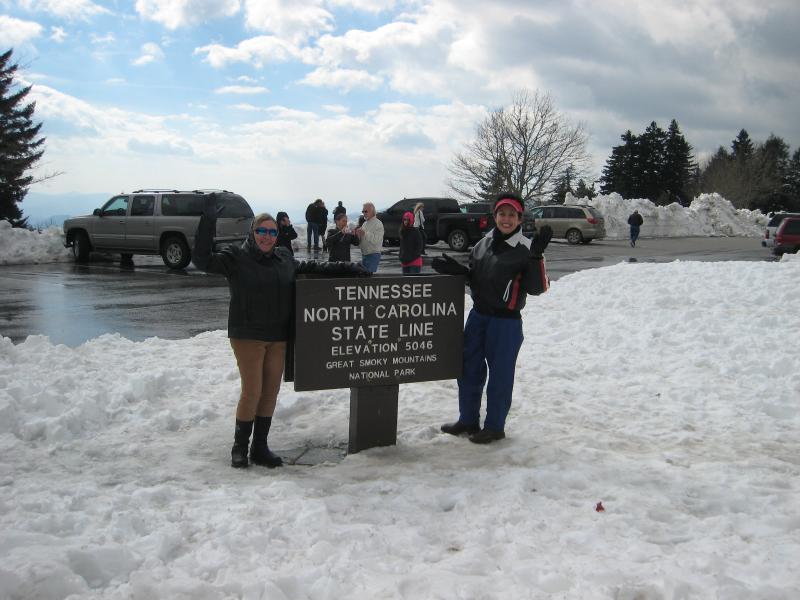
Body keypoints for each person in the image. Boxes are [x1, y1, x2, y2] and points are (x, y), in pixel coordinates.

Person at [192, 197, 369, 469]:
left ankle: (260, 447)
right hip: (248, 335)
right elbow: (202, 260)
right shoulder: (236, 257)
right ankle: (240, 447)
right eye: (261, 231)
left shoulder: (283, 257)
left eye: (272, 232)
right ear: (253, 232)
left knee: (270, 392)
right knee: (252, 391)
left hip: (277, 336)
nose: (267, 236)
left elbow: (312, 268)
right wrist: (207, 222)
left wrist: (348, 268)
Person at [432, 192, 552, 444]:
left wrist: (536, 257)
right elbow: (478, 278)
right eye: (501, 213)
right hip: (478, 317)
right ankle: (468, 420)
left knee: (500, 376)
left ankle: (495, 426)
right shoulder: (483, 244)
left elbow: (538, 288)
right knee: (468, 370)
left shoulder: (526, 248)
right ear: (495, 216)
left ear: (520, 218)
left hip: (505, 324)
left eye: (512, 215)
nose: (506, 219)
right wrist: (461, 272)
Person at [355, 202, 384, 273]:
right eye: (363, 211)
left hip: (373, 255)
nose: (364, 213)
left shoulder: (378, 223)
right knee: (365, 276)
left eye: (366, 211)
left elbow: (376, 240)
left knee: (369, 276)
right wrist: (356, 235)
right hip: (364, 255)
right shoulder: (365, 224)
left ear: (372, 211)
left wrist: (364, 233)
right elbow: (361, 241)